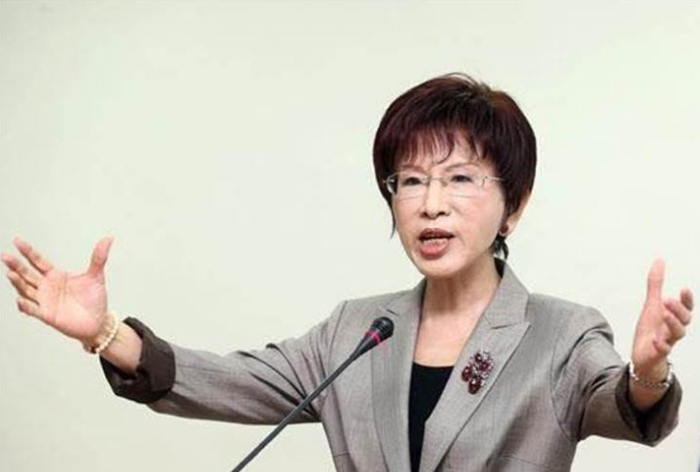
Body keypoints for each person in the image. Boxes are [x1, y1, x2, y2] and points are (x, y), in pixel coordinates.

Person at [2, 73, 694, 472]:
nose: (430, 204)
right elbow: (227, 382)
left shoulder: (562, 334)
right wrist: (104, 333)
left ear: (514, 203)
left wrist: (648, 372)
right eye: (410, 180)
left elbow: (624, 408)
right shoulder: (358, 329)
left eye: (460, 178)